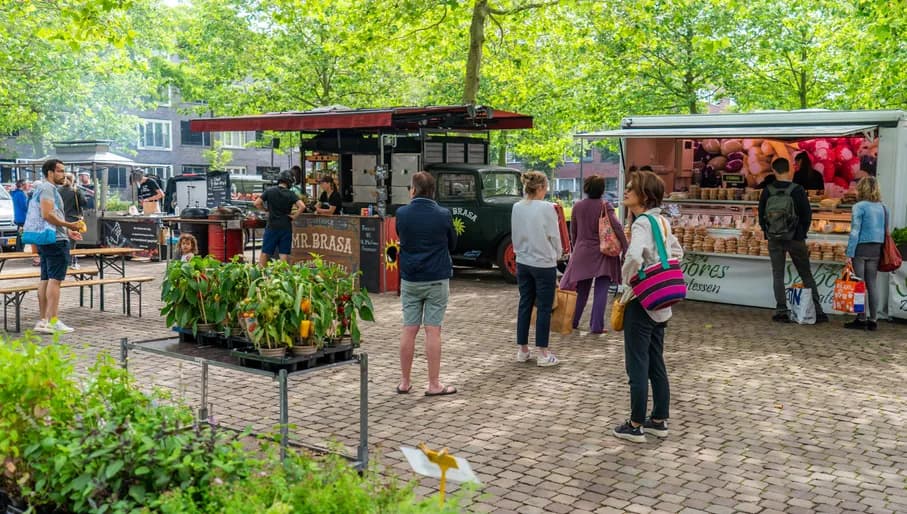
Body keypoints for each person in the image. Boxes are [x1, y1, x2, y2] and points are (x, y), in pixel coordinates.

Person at [612, 170, 683, 443]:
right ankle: (659, 420)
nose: (626, 190)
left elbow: (633, 255)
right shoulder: (663, 221)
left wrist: (628, 279)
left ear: (644, 195)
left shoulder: (642, 223)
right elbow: (677, 253)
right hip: (662, 303)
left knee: (637, 364)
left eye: (632, 187)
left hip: (641, 302)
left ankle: (635, 424)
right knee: (656, 361)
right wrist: (659, 270)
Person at [395, 171, 458, 396]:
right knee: (433, 330)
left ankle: (404, 382)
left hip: (411, 278)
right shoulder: (443, 214)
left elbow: (401, 236)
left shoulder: (402, 213)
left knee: (409, 329)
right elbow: (453, 244)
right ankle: (433, 384)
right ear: (433, 190)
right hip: (436, 278)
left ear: (413, 189)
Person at [758, 158, 828, 324]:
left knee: (778, 274)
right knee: (806, 274)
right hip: (795, 238)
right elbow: (807, 214)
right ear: (789, 170)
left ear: (774, 171)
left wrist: (768, 232)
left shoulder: (767, 190)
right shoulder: (797, 190)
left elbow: (761, 215)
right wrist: (800, 233)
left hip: (774, 238)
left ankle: (781, 310)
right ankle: (818, 311)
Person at [559, 176, 627, 333]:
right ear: (602, 190)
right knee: (601, 289)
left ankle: (573, 321)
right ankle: (596, 326)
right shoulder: (605, 206)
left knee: (581, 289)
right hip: (604, 251)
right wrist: (625, 247)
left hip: (582, 252)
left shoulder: (578, 206)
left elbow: (573, 232)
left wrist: (576, 249)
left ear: (586, 188)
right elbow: (617, 228)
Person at [512, 171, 562, 367]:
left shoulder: (517, 207)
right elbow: (554, 235)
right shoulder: (547, 208)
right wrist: (558, 255)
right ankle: (543, 352)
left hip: (523, 260)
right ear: (541, 188)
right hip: (543, 262)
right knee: (544, 307)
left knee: (524, 303)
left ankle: (523, 349)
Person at [34, 159, 83, 334]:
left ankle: (43, 321)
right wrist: (70, 226)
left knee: (45, 279)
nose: (63, 174)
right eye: (60, 171)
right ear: (50, 172)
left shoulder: (41, 188)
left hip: (47, 238)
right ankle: (52, 321)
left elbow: (50, 216)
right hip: (55, 241)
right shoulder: (48, 188)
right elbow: (47, 214)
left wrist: (67, 231)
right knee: (55, 280)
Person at [844, 176, 886, 331]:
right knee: (872, 283)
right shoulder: (882, 207)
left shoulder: (859, 206)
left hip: (860, 247)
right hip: (876, 248)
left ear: (861, 189)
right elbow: (885, 230)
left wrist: (849, 252)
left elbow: (855, 231)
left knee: (859, 284)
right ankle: (873, 319)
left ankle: (861, 318)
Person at [254, 170, 305, 266]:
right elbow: (302, 206)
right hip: (286, 226)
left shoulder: (270, 191)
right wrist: (294, 217)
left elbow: (256, 203)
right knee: (283, 253)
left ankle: (260, 274)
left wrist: (265, 210)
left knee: (266, 252)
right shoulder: (291, 194)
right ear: (289, 182)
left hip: (272, 226)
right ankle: (283, 277)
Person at [58, 173, 86, 268]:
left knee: (61, 241)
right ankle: (72, 262)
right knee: (72, 242)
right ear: (73, 180)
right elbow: (84, 203)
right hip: (73, 219)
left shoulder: (58, 190)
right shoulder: (76, 191)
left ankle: (63, 261)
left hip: (60, 219)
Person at [10, 179, 28, 252]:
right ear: (22, 185)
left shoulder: (15, 193)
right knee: (21, 234)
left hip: (18, 217)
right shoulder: (20, 194)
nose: (27, 185)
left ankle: (19, 248)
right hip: (22, 218)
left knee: (20, 233)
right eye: (26, 184)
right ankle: (20, 248)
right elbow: (24, 206)